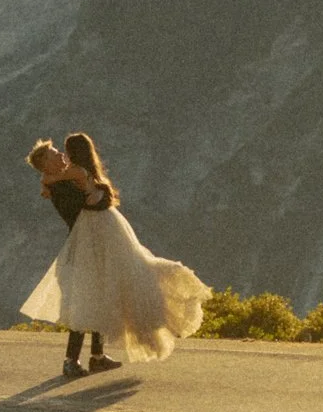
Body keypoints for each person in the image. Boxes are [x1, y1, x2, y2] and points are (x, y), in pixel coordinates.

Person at [22, 132, 210, 379]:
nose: (61, 155)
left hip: (99, 242)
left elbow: (61, 183)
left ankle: (96, 357)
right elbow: (72, 199)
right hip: (90, 244)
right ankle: (73, 359)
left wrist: (47, 181)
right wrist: (48, 181)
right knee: (88, 298)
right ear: (46, 163)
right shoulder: (63, 180)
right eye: (55, 154)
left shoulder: (64, 177)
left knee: (102, 295)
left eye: (62, 152)